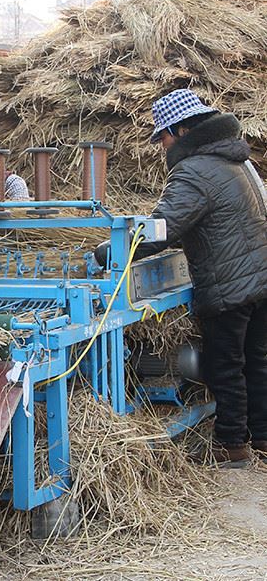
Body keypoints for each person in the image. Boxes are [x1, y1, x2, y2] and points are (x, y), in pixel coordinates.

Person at [98, 88, 267, 468]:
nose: (160, 146)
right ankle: (263, 437)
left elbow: (163, 229)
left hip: (229, 285)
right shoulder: (240, 161)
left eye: (162, 137)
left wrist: (108, 252)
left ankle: (232, 446)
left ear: (181, 130)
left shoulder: (193, 171)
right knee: (255, 362)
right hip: (260, 279)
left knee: (227, 366)